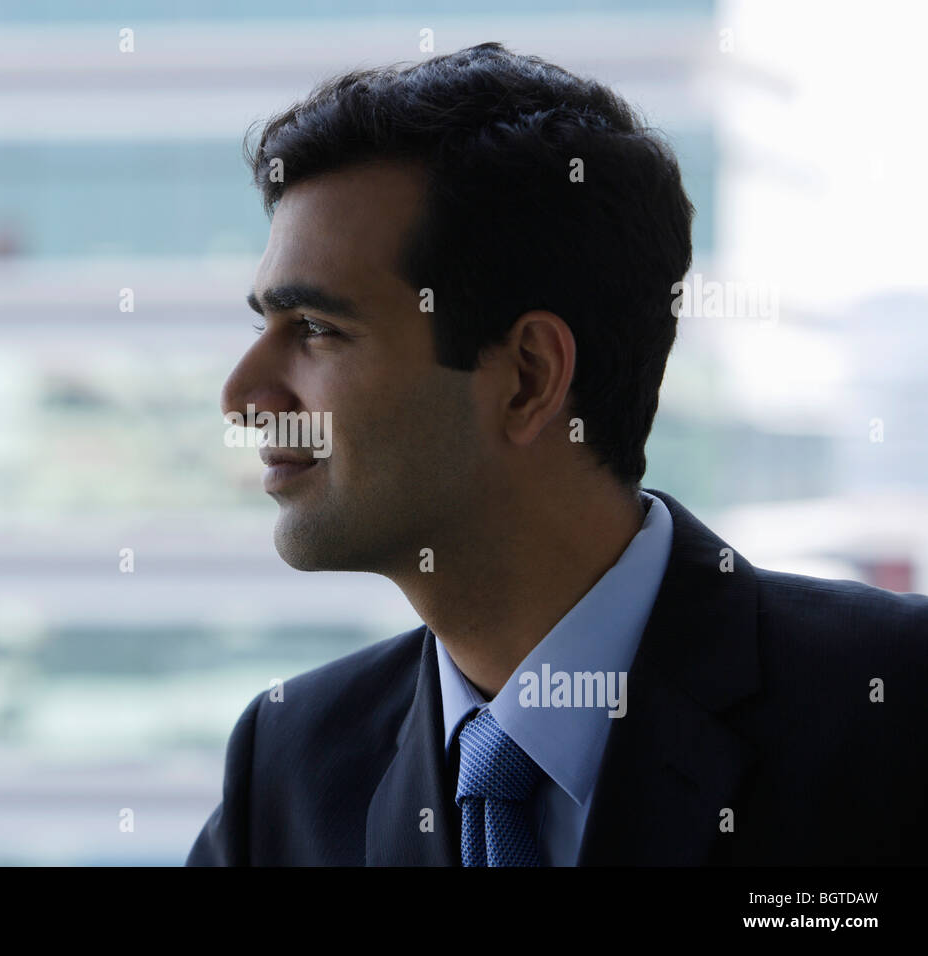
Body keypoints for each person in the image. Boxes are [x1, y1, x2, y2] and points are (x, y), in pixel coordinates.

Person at [187, 42, 928, 866]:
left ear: (529, 378)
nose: (242, 396)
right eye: (265, 326)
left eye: (317, 330)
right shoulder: (288, 764)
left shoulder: (897, 706)